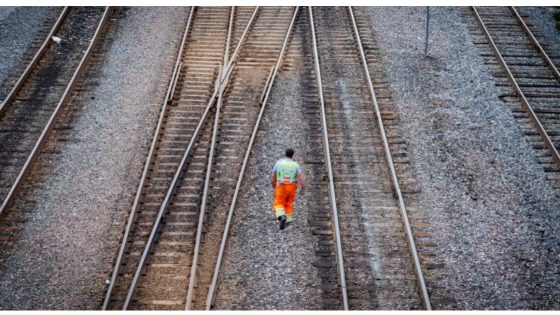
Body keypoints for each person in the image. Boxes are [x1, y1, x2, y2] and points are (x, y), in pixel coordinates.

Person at [271, 148, 304, 230]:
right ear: (292, 155)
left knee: (278, 203)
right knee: (289, 202)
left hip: (281, 185)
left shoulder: (279, 163)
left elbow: (273, 174)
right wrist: (303, 187)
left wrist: (273, 183)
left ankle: (282, 216)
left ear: (285, 154)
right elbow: (300, 178)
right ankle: (289, 219)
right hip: (292, 186)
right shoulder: (296, 165)